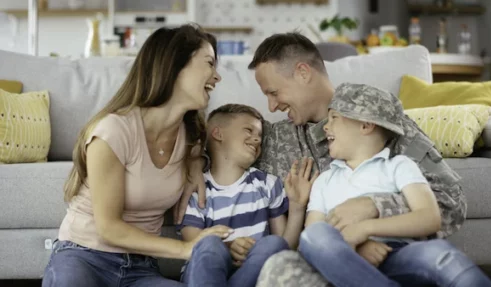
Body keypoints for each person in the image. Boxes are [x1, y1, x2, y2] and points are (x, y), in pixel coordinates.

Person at [243, 32, 467, 286]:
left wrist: (374, 207)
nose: (271, 107)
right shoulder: (273, 139)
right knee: (279, 269)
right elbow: (219, 156)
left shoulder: (374, 118)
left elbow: (451, 203)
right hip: (323, 261)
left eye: (274, 92)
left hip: (391, 256)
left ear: (303, 73)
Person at [42, 24, 232, 287]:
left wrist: (197, 164)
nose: (217, 76)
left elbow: (215, 150)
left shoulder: (191, 135)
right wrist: (186, 249)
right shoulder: (114, 130)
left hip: (140, 268)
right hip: (83, 256)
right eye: (209, 63)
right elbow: (108, 226)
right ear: (174, 65)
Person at [298, 83, 491, 287]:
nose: (325, 126)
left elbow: (430, 218)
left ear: (365, 125)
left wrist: (364, 229)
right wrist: (358, 247)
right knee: (313, 235)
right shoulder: (324, 180)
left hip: (398, 255)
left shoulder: (399, 165)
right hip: (345, 259)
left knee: (440, 254)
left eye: (334, 118)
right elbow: (314, 238)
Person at [178, 104, 318, 287]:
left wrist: (297, 206)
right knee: (210, 244)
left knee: (273, 244)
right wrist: (229, 247)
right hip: (205, 275)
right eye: (249, 130)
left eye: (259, 135)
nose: (256, 139)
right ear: (218, 134)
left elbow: (285, 248)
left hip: (253, 272)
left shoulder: (267, 184)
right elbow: (192, 245)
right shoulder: (197, 188)